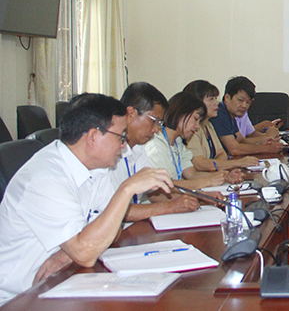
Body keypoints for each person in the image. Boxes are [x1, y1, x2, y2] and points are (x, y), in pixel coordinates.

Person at [0, 94, 174, 304]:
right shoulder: (45, 178)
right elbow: (85, 253)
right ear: (92, 137)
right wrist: (126, 189)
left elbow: (113, 229)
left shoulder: (97, 168)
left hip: (61, 281)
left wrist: (67, 253)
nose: (123, 146)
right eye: (120, 137)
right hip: (17, 298)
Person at [113, 82, 200, 220]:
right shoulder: (109, 153)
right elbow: (113, 210)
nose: (156, 129)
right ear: (130, 113)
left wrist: (198, 198)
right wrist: (170, 207)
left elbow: (154, 192)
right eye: (154, 121)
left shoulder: (139, 148)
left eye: (159, 123)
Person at [144, 92, 243, 190]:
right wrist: (207, 182)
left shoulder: (177, 142)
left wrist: (224, 177)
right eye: (195, 119)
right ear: (181, 114)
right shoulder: (156, 143)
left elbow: (192, 174)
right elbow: (163, 185)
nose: (197, 126)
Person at [183, 80, 260, 170]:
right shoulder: (191, 129)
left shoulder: (208, 124)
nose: (216, 103)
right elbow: (200, 163)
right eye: (211, 99)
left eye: (216, 98)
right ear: (197, 102)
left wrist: (215, 166)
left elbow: (222, 154)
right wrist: (238, 163)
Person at [211, 76, 284, 156]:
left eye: (248, 102)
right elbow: (234, 149)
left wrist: (266, 140)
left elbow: (241, 140)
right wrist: (265, 148)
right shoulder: (219, 113)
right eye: (240, 100)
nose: (244, 106)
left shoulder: (231, 115)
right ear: (227, 98)